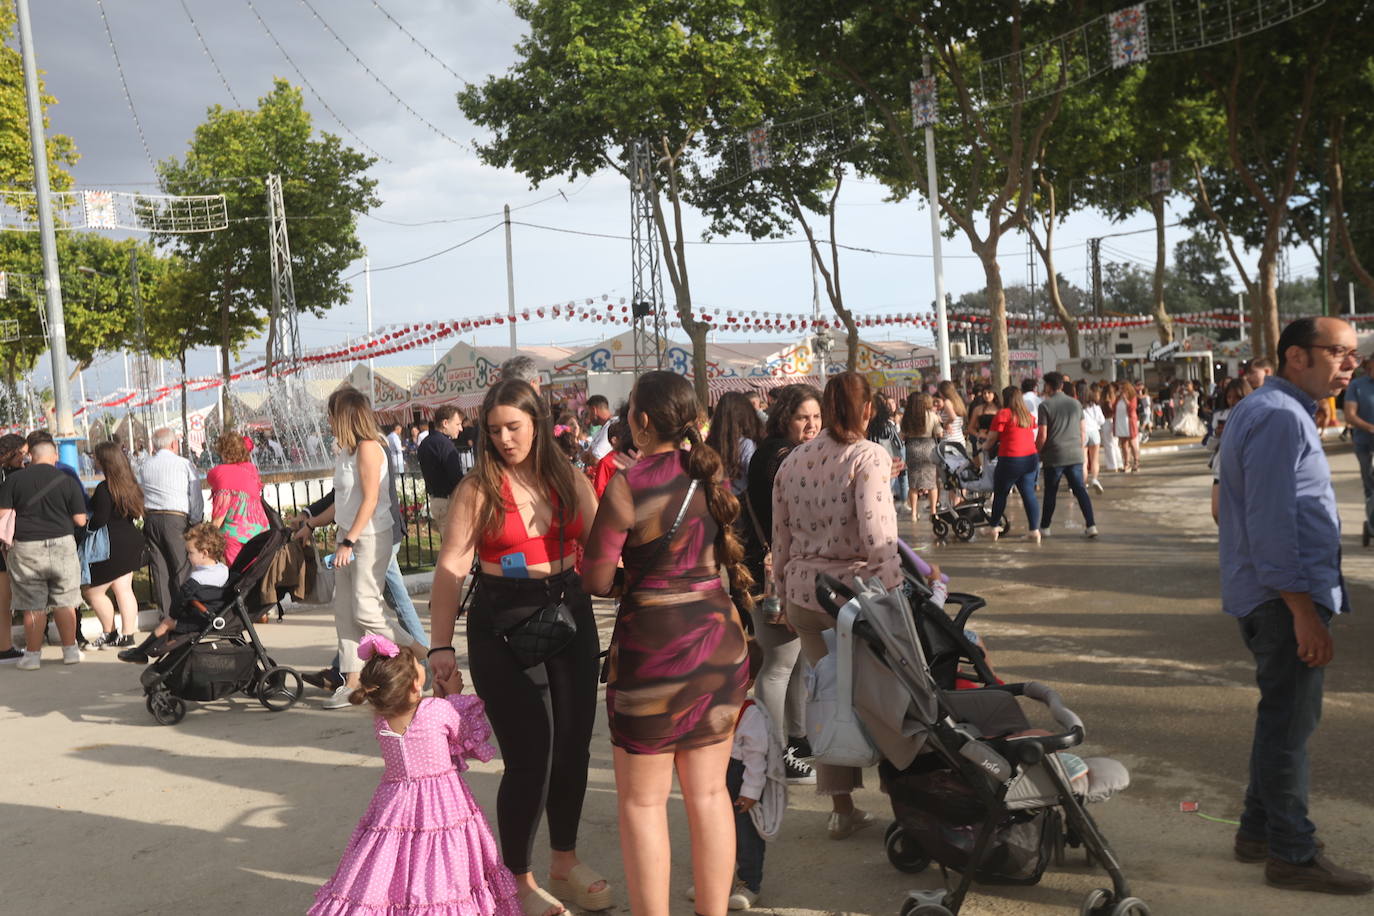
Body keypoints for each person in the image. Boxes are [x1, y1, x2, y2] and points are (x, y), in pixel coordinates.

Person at [427, 379, 606, 916]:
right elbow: (451, 568)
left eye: (514, 427)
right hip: (501, 625)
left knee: (573, 747)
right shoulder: (477, 489)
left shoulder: (568, 477)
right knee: (531, 756)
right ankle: (517, 880)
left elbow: (602, 546)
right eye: (494, 430)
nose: (505, 439)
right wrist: (439, 648)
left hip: (568, 613)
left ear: (537, 425)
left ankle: (564, 861)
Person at [581, 370, 749, 916]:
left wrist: (633, 578)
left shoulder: (628, 485)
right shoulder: (710, 474)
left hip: (652, 653)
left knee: (643, 802)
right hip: (719, 645)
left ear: (643, 421)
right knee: (710, 794)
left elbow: (596, 577)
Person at [1216, 316, 1372, 895]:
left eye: (1353, 354)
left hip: (1273, 596)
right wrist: (1303, 611)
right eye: (1339, 352)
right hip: (1282, 602)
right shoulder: (1279, 416)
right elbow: (1273, 524)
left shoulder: (1271, 410)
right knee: (1288, 728)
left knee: (1280, 718)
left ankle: (1258, 830)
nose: (1351, 365)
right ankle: (1292, 853)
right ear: (1296, 357)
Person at [772, 373, 908, 840]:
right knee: (884, 700)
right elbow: (878, 537)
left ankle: (841, 808)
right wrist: (898, 595)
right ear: (868, 409)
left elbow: (781, 539)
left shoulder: (792, 461)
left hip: (803, 597)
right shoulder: (869, 456)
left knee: (828, 697)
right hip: (855, 601)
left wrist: (781, 593)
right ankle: (904, 800)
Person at [308, 637, 522, 916]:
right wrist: (453, 697)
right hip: (442, 803)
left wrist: (440, 700)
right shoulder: (438, 710)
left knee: (397, 855)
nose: (423, 666)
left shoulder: (382, 720)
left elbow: (422, 724)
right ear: (414, 684)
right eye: (418, 666)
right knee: (441, 861)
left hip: (394, 803)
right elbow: (465, 736)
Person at [306, 389, 416, 708]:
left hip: (368, 536)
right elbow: (342, 502)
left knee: (365, 609)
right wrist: (310, 523)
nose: (328, 420)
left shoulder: (369, 447)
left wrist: (349, 541)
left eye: (330, 414)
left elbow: (370, 500)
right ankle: (352, 682)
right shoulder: (346, 451)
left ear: (343, 415)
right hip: (348, 533)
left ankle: (418, 653)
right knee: (344, 612)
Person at [744, 384, 822, 786]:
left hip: (784, 570)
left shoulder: (778, 452)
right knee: (779, 667)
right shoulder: (782, 457)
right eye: (802, 417)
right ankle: (775, 754)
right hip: (776, 573)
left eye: (816, 417)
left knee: (797, 661)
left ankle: (797, 741)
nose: (811, 425)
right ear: (784, 418)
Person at [1, 440, 88, 670]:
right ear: (55, 456)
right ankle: (70, 651)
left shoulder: (14, 480)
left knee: (33, 603)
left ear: (31, 456)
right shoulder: (67, 480)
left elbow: (3, 514)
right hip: (62, 544)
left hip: (26, 546)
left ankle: (32, 657)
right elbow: (80, 520)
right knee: (65, 600)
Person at [717, 641, 782, 911]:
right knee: (716, 832)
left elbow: (757, 758)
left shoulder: (750, 713)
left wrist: (751, 792)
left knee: (747, 837)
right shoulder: (711, 706)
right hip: (716, 780)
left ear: (749, 682)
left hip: (741, 781)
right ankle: (716, 880)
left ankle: (749, 883)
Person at [83, 442, 145, 650]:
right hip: (130, 540)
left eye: (95, 457)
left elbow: (100, 519)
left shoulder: (104, 488)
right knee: (124, 590)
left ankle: (109, 633)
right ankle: (127, 636)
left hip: (111, 544)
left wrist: (86, 527)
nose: (93, 460)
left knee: (93, 592)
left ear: (104, 461)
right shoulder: (130, 484)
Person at [137, 427, 203, 621]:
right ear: (174, 444)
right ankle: (186, 614)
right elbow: (195, 496)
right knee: (182, 567)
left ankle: (167, 616)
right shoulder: (184, 464)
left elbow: (142, 492)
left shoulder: (145, 466)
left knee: (160, 569)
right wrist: (196, 521)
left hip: (152, 518)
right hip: (176, 518)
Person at [1036, 372, 1098, 539]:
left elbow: (1042, 435)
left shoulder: (1045, 406)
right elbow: (1083, 431)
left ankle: (1045, 527)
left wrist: (1037, 452)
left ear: (1048, 386)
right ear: (1062, 385)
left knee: (1051, 492)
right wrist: (1078, 447)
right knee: (1080, 490)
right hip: (1075, 454)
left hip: (1054, 455)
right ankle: (1091, 525)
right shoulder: (1076, 404)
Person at [983, 386, 1041, 543]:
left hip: (1010, 459)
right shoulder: (1027, 415)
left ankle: (994, 527)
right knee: (1028, 494)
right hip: (1030, 458)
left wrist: (983, 447)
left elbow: (991, 439)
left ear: (1005, 398)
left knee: (1001, 493)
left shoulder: (1003, 414)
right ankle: (1034, 530)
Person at [206, 431, 269, 566]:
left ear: (224, 452)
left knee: (238, 573)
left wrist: (205, 539)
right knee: (255, 572)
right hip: (260, 533)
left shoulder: (223, 474)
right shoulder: (251, 470)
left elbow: (219, 516)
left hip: (235, 536)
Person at [0, 434, 30, 664]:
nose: (25, 458)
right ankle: (5, 647)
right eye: (22, 453)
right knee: (5, 599)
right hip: (6, 542)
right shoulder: (12, 477)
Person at [706, 391, 762, 499]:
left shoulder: (710, 442)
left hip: (714, 498)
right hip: (739, 500)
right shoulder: (746, 444)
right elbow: (754, 476)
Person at [418, 405, 466, 528]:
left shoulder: (425, 443)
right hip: (448, 502)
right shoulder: (445, 445)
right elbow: (456, 477)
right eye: (457, 424)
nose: (461, 428)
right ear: (445, 423)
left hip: (436, 501)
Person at [901, 391, 942, 521]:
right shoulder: (932, 416)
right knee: (931, 482)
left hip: (912, 448)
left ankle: (914, 513)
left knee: (913, 483)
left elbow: (902, 436)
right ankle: (933, 512)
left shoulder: (907, 418)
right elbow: (939, 433)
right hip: (928, 447)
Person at [1341, 357, 1374, 500]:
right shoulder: (1356, 385)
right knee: (1370, 485)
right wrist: (1370, 428)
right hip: (1364, 444)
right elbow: (1350, 415)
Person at [866, 393, 908, 506]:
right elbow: (898, 443)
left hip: (871, 462)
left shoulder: (866, 427)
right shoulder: (887, 426)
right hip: (888, 461)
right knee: (891, 485)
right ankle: (900, 504)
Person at [1080, 382, 1106, 494]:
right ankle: (1094, 479)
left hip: (1082, 433)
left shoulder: (1078, 407)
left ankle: (1084, 484)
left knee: (1084, 461)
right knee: (1095, 459)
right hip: (1095, 433)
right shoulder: (1096, 407)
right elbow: (1102, 421)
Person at [1113, 381, 1141, 473]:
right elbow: (1114, 408)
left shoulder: (1132, 397)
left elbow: (1132, 408)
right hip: (1120, 422)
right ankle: (1126, 463)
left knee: (1132, 443)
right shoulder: (1118, 398)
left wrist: (1125, 399)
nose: (1121, 390)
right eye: (1120, 388)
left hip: (1129, 422)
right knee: (1123, 444)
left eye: (1122, 388)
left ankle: (1136, 462)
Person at [583, 395, 614, 462]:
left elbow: (595, 459)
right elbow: (586, 455)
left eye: (588, 413)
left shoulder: (612, 426)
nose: (589, 417)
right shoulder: (603, 428)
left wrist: (590, 454)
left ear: (594, 410)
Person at [936, 380, 966, 446]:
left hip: (949, 440)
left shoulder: (947, 402)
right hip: (959, 438)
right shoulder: (958, 402)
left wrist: (946, 424)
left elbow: (952, 417)